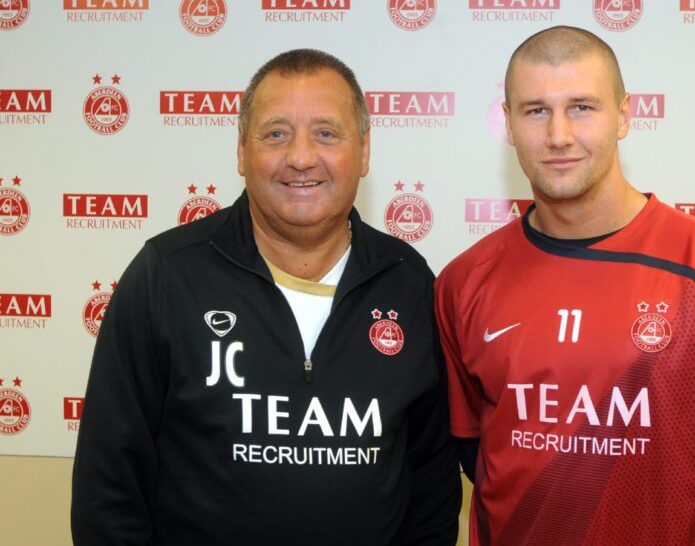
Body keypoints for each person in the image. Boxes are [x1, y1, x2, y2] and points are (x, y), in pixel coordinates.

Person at [72, 49, 460, 545]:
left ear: (364, 151)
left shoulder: (407, 282)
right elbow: (107, 489)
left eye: (326, 132)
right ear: (241, 150)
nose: (300, 157)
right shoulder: (166, 276)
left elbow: (432, 483)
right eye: (275, 133)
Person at [435, 26, 695, 545]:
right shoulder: (463, 281)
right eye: (535, 110)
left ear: (625, 116)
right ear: (509, 124)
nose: (559, 135)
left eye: (582, 107)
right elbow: (475, 449)